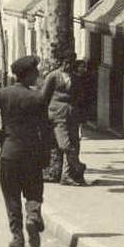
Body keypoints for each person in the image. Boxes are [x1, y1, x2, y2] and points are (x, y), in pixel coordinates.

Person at [0, 55, 51, 247]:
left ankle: (18, 237)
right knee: (34, 191)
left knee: (11, 196)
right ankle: (33, 215)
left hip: (9, 154)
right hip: (32, 153)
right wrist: (46, 153)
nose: (37, 75)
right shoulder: (37, 97)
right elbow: (46, 128)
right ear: (27, 75)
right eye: (35, 72)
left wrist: (0, 137)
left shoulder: (3, 94)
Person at [43, 57, 88, 186]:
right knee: (65, 145)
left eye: (70, 63)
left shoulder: (75, 78)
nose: (68, 65)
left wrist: (80, 116)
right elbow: (44, 96)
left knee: (75, 143)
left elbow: (79, 97)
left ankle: (67, 175)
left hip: (72, 116)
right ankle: (79, 166)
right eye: (66, 62)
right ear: (61, 62)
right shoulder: (53, 76)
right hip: (57, 116)